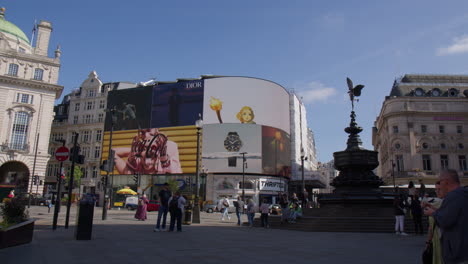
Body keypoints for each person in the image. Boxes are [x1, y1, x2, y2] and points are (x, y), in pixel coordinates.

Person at [424, 169, 468, 264]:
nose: (439, 185)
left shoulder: (452, 196)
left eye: (440, 181)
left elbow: (445, 221)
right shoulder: (463, 194)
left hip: (456, 251)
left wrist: (432, 213)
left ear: (446, 182)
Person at [113, 128, 182, 175]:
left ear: (156, 130)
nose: (146, 135)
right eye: (142, 132)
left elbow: (171, 173)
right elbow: (113, 152)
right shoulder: (137, 163)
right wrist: (137, 151)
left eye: (149, 131)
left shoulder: (169, 146)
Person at [422, 181, 445, 264]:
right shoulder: (435, 204)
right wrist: (428, 242)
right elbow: (431, 227)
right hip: (435, 240)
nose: (437, 191)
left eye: (440, 189)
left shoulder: (446, 203)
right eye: (436, 189)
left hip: (445, 240)